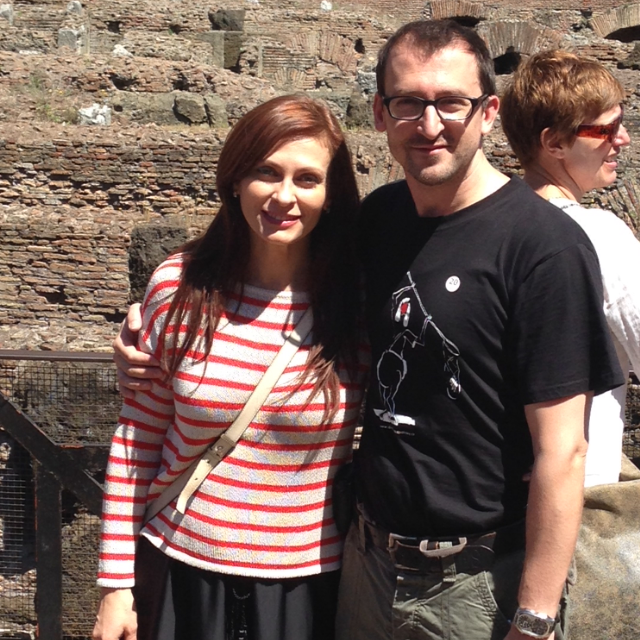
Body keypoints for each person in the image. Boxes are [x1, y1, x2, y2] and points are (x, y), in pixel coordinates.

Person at [112, 21, 624, 640]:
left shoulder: (544, 246)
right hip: (363, 563)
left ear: (488, 113)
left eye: (451, 103)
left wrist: (535, 619)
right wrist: (155, 318)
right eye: (409, 102)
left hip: (476, 581)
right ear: (381, 114)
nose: (429, 124)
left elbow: (564, 451)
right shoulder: (378, 221)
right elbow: (270, 260)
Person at [93, 95, 367, 640]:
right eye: (266, 172)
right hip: (181, 569)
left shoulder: (357, 304)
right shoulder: (179, 286)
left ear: (331, 194)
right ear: (236, 179)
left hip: (307, 583)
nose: (284, 196)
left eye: (307, 179)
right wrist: (115, 585)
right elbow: (138, 438)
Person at [500, 49, 640, 487]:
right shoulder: (600, 235)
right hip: (575, 491)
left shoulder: (488, 228)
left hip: (489, 492)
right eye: (607, 129)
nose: (623, 139)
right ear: (555, 143)